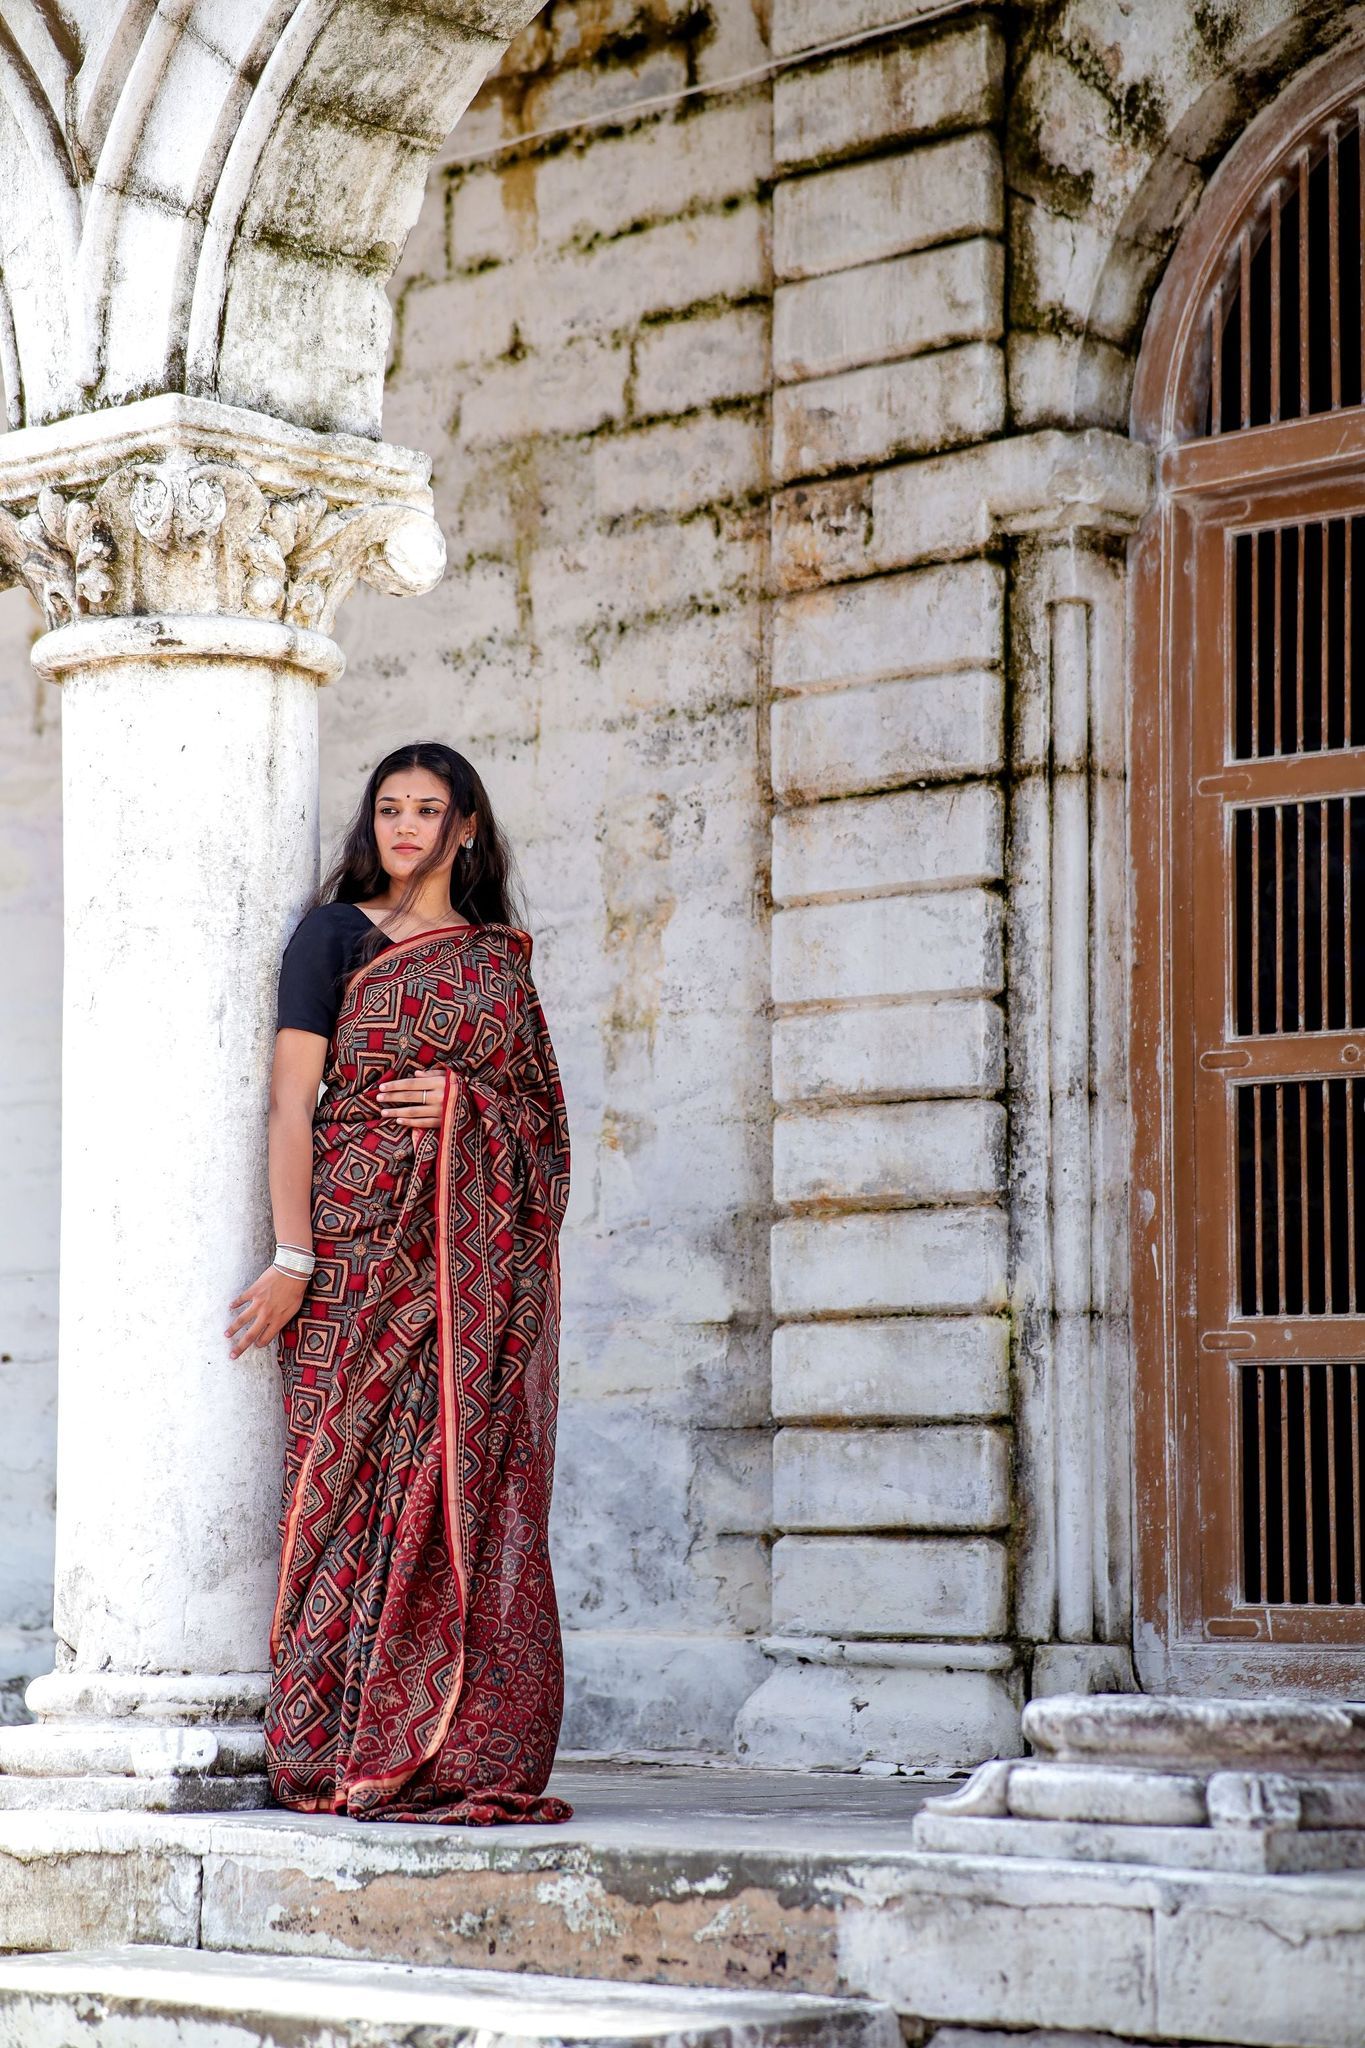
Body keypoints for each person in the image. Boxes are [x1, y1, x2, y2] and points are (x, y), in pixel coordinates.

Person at [226, 742, 572, 1825]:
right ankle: (335, 1743)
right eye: (389, 807)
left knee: (459, 1482)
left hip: (464, 1284)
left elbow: (544, 1134)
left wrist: (468, 1105)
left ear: (467, 826)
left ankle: (454, 1744)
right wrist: (293, 1258)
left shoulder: (496, 964)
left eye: (429, 809)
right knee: (338, 1491)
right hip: (353, 1258)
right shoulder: (332, 935)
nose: (406, 826)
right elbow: (293, 1104)